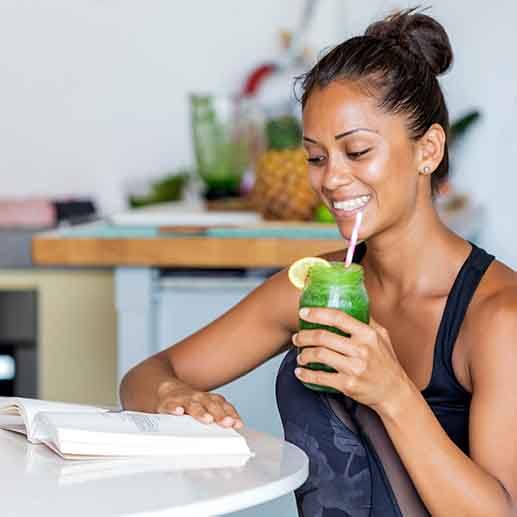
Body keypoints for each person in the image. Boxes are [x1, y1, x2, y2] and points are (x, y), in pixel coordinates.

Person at [120, 8, 517, 516]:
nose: (331, 179)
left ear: (429, 150)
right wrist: (174, 394)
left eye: (356, 151)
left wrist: (392, 393)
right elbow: (144, 375)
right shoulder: (311, 287)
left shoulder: (497, 317)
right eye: (316, 157)